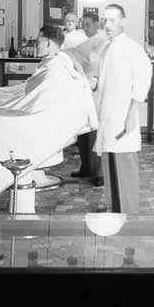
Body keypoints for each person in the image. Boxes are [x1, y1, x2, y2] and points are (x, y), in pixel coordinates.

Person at [0, 25, 97, 193]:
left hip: (44, 119)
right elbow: (32, 93)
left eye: (38, 42)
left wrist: (9, 102)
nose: (36, 46)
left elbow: (35, 101)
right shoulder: (55, 60)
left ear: (47, 43)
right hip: (46, 112)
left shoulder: (55, 66)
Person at [94, 4, 152, 213]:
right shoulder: (108, 47)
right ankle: (113, 206)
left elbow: (143, 81)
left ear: (123, 21)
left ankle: (126, 211)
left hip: (122, 116)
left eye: (112, 20)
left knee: (123, 165)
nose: (107, 25)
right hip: (108, 115)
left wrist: (131, 115)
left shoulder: (131, 48)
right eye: (105, 20)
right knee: (109, 163)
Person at [65, 13, 109, 187]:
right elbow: (75, 53)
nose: (85, 28)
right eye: (83, 24)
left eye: (89, 25)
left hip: (97, 91)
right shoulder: (89, 41)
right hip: (86, 90)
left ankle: (98, 172)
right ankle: (86, 167)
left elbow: (98, 64)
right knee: (83, 130)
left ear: (98, 24)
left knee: (94, 132)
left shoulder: (102, 40)